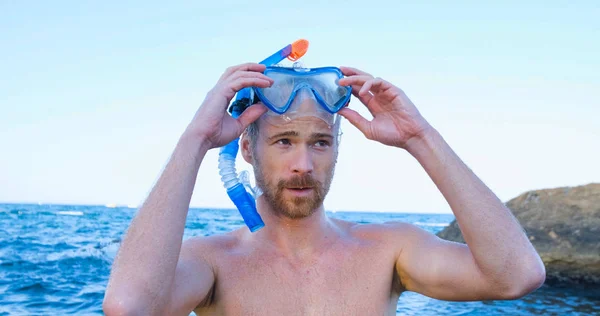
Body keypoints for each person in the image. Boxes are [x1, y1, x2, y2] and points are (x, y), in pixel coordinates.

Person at [103, 63, 546, 316]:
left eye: (320, 142)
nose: (303, 164)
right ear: (246, 148)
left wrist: (420, 138)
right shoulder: (213, 263)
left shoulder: (387, 251)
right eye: (283, 141)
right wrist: (195, 140)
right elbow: (128, 307)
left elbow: (516, 276)